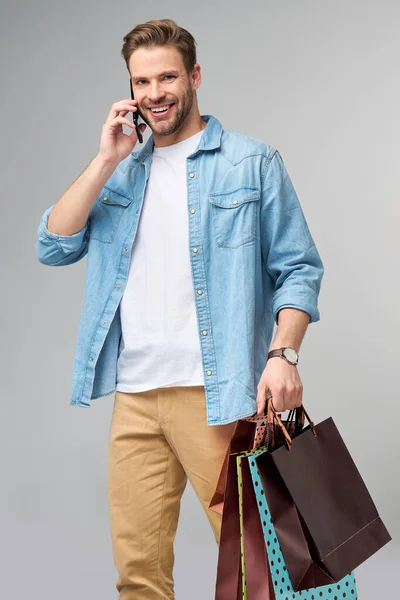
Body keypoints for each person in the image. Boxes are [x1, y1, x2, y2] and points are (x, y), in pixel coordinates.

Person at [35, 18, 324, 600]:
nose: (155, 92)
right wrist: (105, 160)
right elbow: (54, 244)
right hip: (136, 399)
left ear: (194, 76)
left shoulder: (251, 162)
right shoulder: (120, 175)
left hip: (217, 397)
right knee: (138, 576)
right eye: (141, 81)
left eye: (167, 76)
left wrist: (283, 354)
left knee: (261, 572)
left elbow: (299, 269)